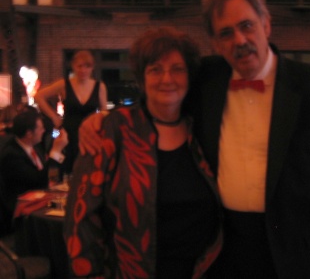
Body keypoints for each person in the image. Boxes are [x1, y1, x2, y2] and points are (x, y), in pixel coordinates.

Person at [78, 0, 310, 279]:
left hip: (290, 252)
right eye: (226, 33)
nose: (239, 40)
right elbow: (163, 93)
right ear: (215, 43)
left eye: (246, 25)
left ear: (266, 24)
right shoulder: (206, 78)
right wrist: (103, 119)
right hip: (219, 249)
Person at [64, 27, 222, 279]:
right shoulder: (112, 130)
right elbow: (80, 219)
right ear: (141, 78)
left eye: (177, 69)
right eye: (155, 69)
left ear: (189, 77)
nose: (167, 78)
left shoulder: (201, 132)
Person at [34, 50, 108, 174]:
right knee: (69, 170)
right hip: (68, 134)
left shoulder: (99, 87)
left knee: (90, 170)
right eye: (79, 66)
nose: (83, 70)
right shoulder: (64, 84)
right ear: (73, 66)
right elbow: (39, 96)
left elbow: (104, 112)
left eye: (87, 66)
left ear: (92, 68)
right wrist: (54, 117)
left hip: (90, 134)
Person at [0, 110, 67, 234]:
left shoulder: (34, 146)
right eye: (41, 128)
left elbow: (51, 173)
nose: (43, 131)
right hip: (23, 213)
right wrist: (56, 151)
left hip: (40, 199)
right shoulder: (11, 155)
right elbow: (38, 180)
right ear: (29, 133)